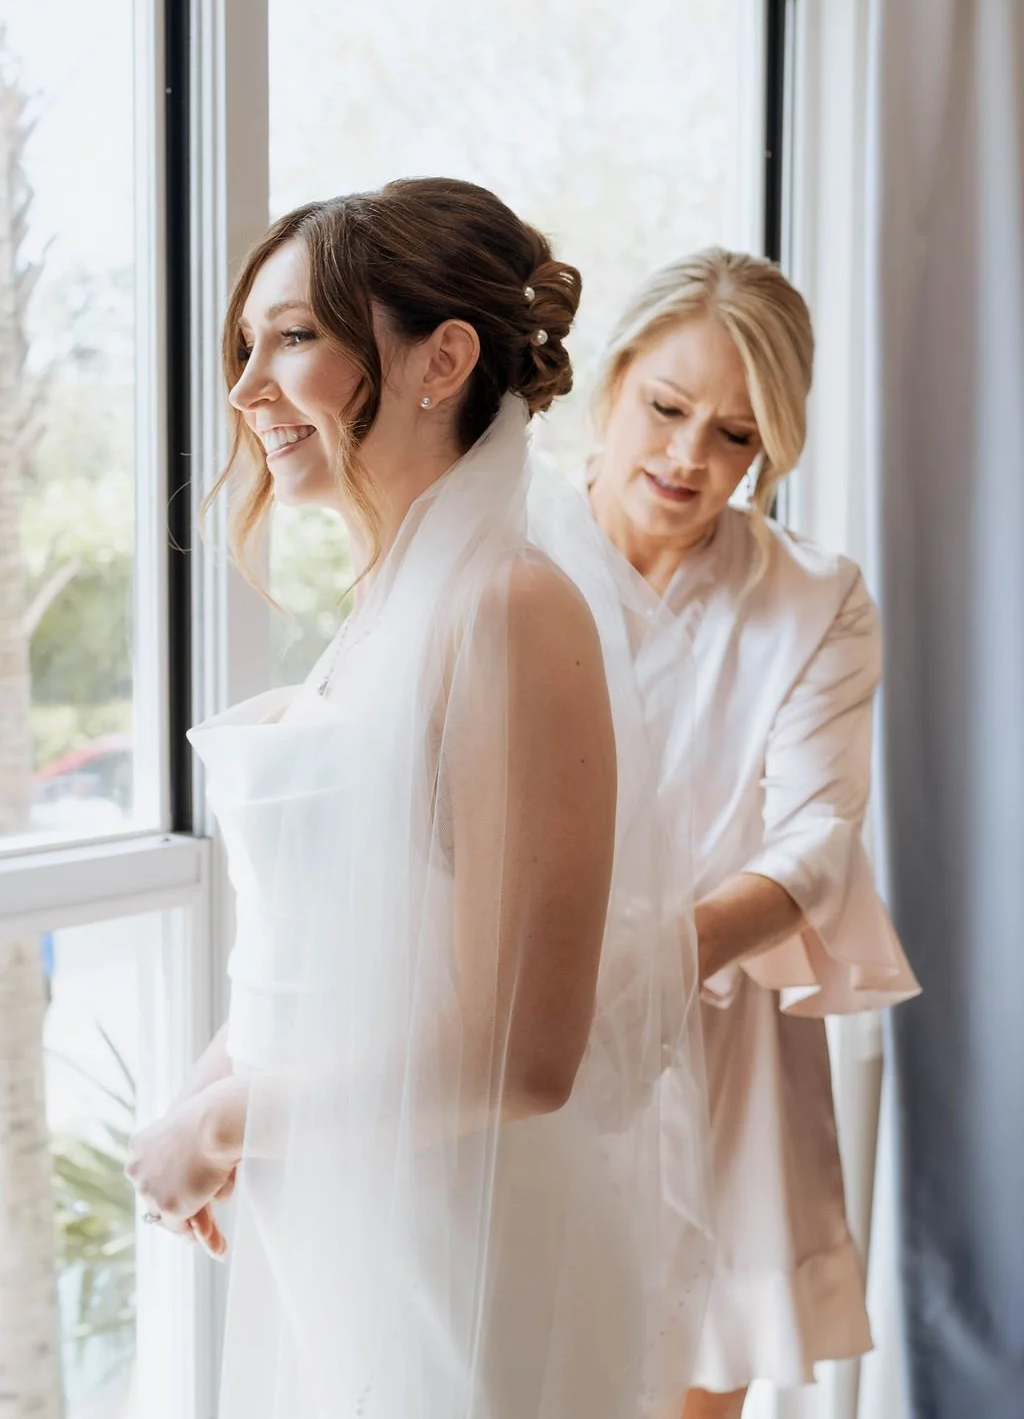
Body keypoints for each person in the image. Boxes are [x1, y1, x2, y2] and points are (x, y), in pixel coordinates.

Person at [125, 179, 712, 1419]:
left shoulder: (507, 606)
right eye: (246, 346)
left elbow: (525, 1050)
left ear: (442, 359)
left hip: (454, 1243)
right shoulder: (392, 607)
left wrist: (230, 1119)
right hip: (344, 1211)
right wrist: (210, 1087)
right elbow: (337, 941)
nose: (245, 392)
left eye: (291, 339)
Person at [586, 248, 921, 1419]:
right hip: (521, 1036)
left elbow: (817, 836)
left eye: (733, 434)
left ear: (771, 443)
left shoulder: (814, 599)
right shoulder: (501, 561)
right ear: (611, 381)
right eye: (667, 409)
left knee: (692, 1390)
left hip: (719, 1048)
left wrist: (652, 966)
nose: (687, 457)